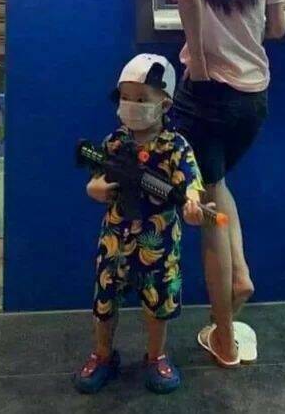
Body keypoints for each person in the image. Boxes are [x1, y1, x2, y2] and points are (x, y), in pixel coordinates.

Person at [166, 0, 285, 367]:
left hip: (205, 97)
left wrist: (198, 58)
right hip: (253, 100)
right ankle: (239, 275)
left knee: (208, 209)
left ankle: (224, 337)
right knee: (216, 184)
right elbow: (277, 28)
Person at [72, 54, 206, 394]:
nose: (132, 105)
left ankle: (156, 356)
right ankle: (103, 355)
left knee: (158, 303)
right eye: (126, 97)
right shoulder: (115, 142)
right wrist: (95, 188)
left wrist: (192, 203)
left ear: (165, 104)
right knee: (105, 301)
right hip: (115, 238)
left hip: (158, 241)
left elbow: (190, 181)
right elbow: (97, 176)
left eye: (142, 99)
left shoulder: (175, 146)